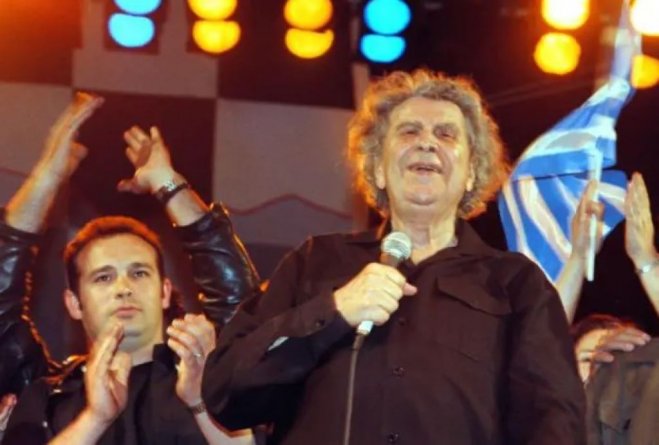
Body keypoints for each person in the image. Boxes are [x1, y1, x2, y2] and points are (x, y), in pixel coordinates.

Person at [201, 69, 585, 445]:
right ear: (378, 169)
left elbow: (555, 422)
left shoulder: (516, 283)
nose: (427, 143)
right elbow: (225, 392)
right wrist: (334, 311)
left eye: (446, 134)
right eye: (409, 131)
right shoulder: (314, 261)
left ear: (471, 174)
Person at [0, 93, 260, 444]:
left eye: (139, 273)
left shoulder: (208, 379)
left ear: (165, 291)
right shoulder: (46, 396)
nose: (124, 288)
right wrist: (46, 178)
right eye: (103, 277)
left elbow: (241, 306)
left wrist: (167, 183)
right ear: (74, 303)